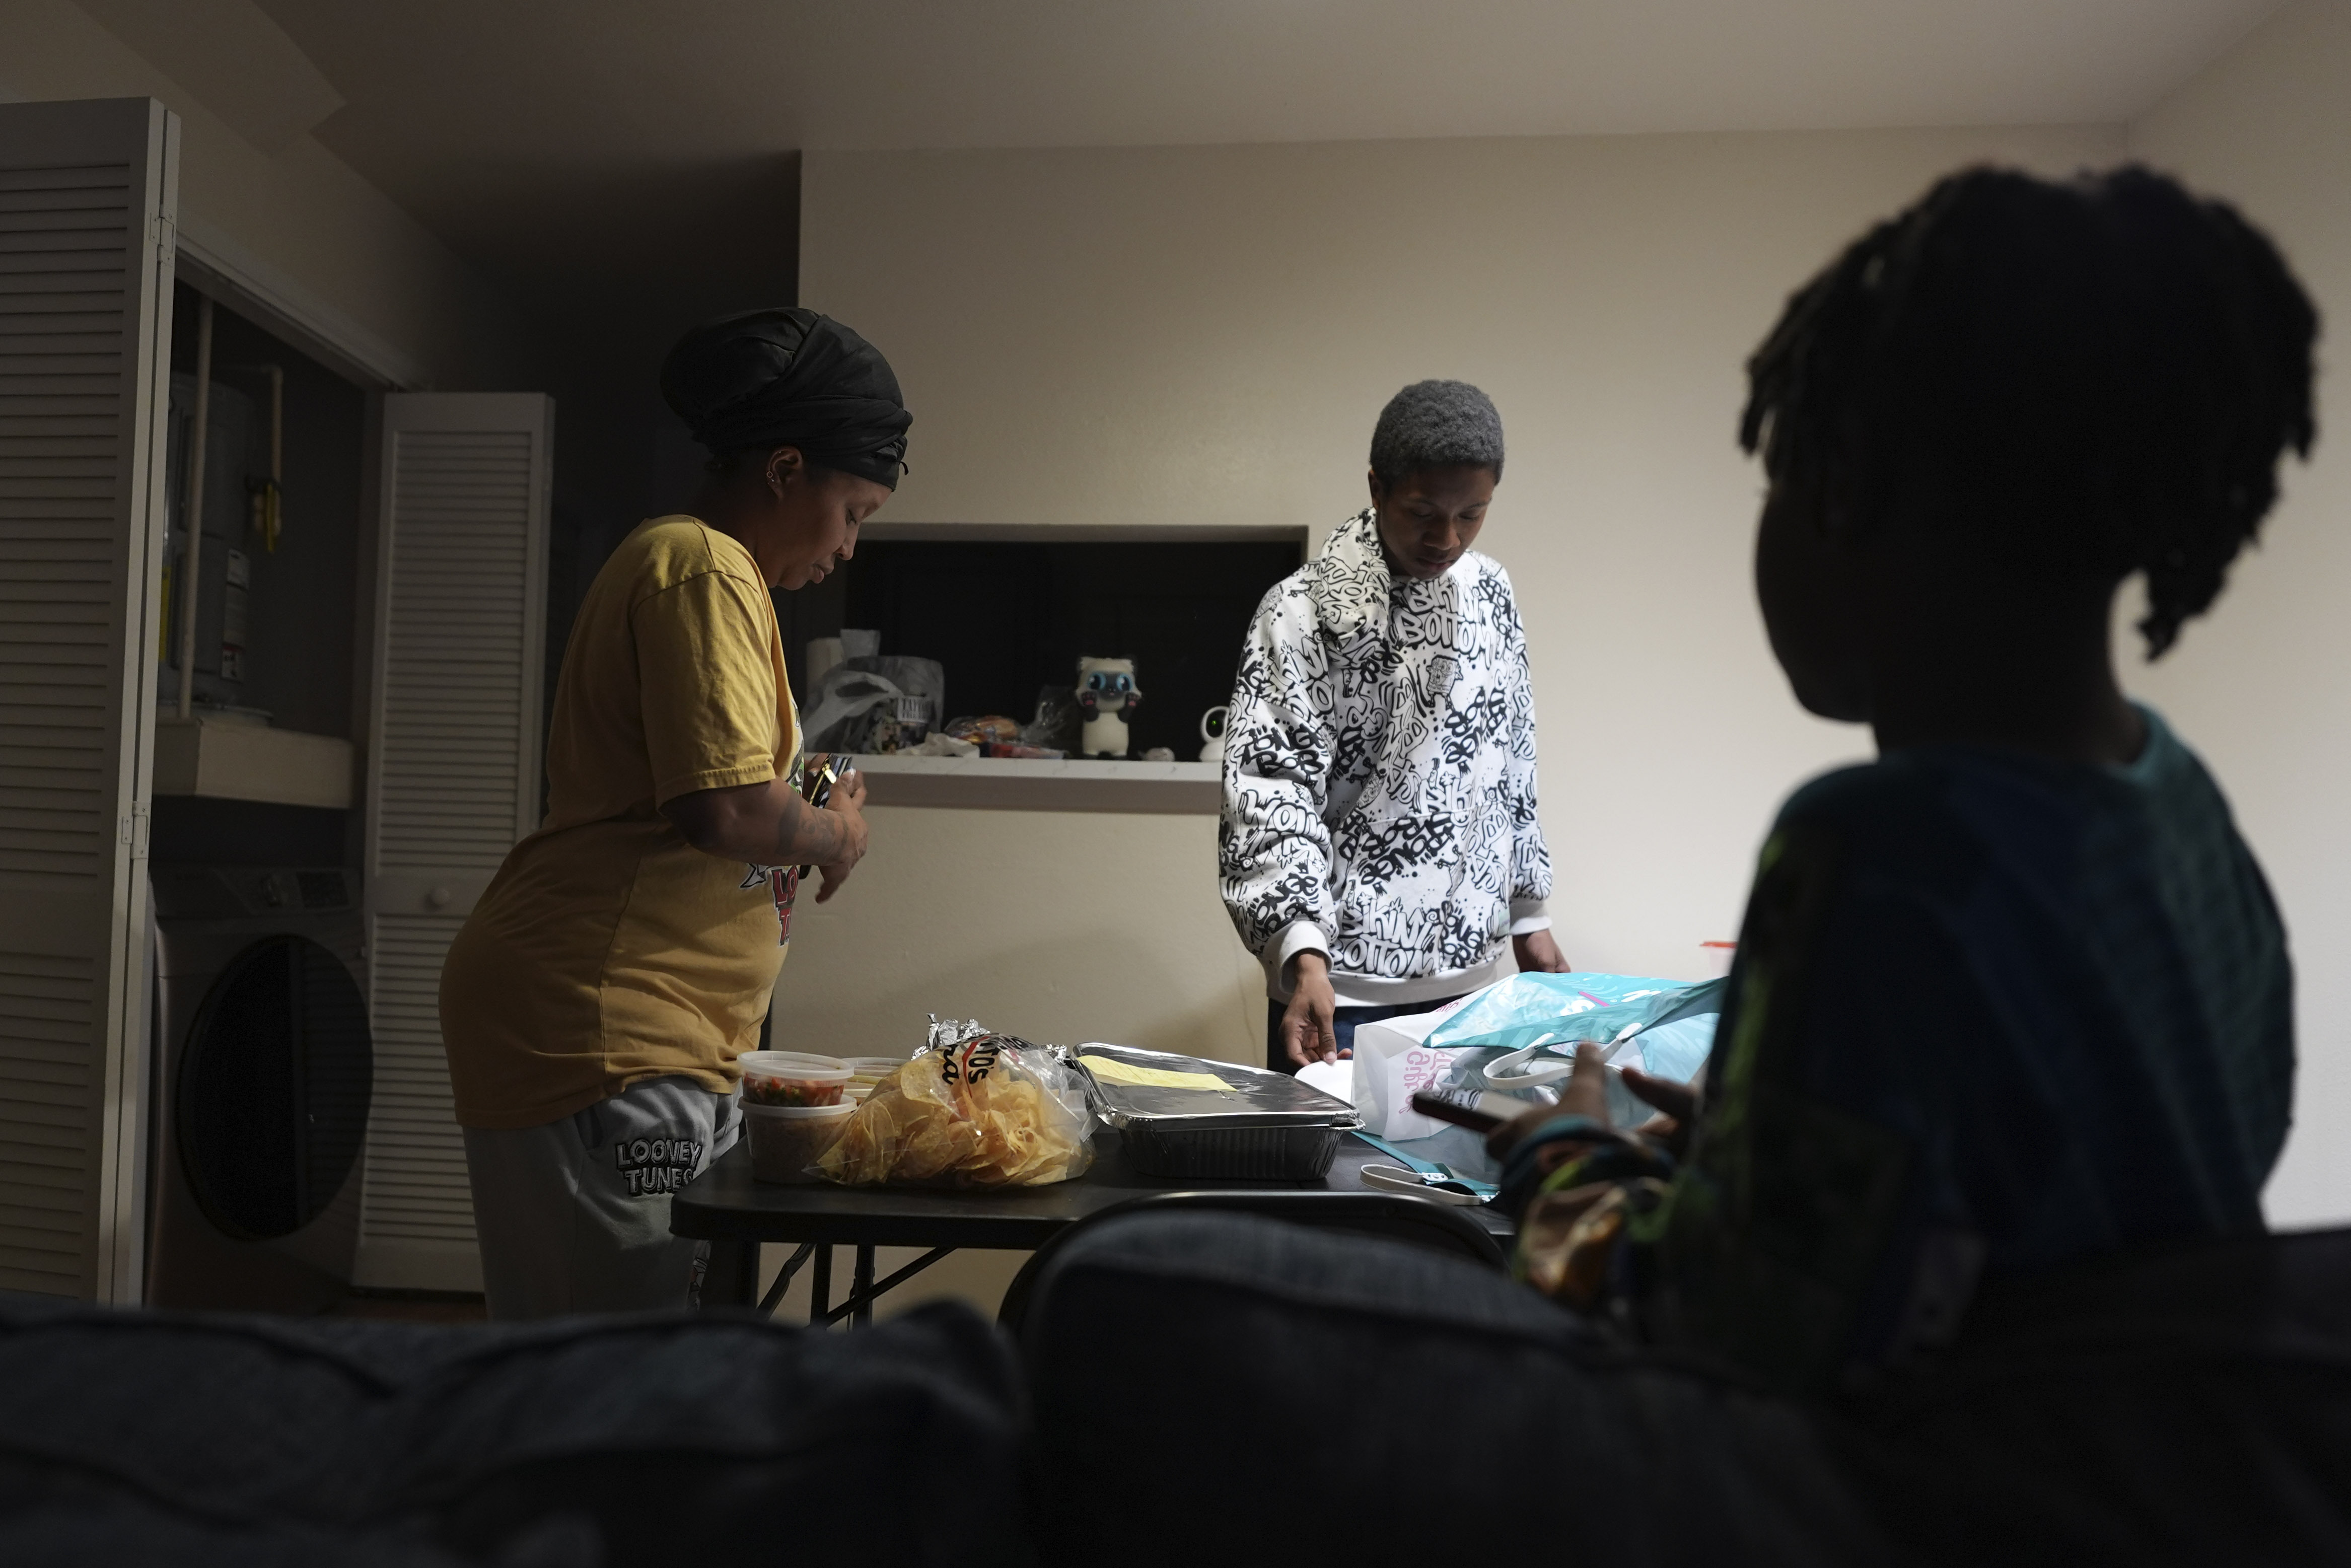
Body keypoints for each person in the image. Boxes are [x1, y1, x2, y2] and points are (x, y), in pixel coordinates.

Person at [1019, 165, 2334, 1564]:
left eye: (1779, 473)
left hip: (1893, 1492)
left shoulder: (1871, 853)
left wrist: (1570, 1156)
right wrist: (1748, 1156)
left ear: (1861, 505)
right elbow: (2026, 1205)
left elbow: (1727, 1324)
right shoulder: (2182, 812)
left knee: (1106, 1295)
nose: (1452, 534)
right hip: (2135, 1476)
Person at [438, 308, 908, 1319]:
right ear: (787, 470)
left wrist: (806, 798)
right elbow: (726, 812)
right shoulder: (700, 564)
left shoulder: (710, 574)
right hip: (605, 1022)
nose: (849, 548)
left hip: (652, 1022)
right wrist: (836, 833)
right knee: (619, 1361)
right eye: (854, 511)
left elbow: (717, 788)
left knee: (637, 1342)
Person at [1221, 380, 1567, 1072]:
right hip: (1338, 990)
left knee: (1453, 1177)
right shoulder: (1299, 612)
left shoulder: (1490, 593)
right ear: (1377, 487)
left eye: (1472, 514)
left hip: (1470, 984)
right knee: (1337, 1179)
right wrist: (1303, 956)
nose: (1447, 538)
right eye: (1423, 512)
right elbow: (1269, 792)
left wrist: (1529, 916)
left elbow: (1511, 759)